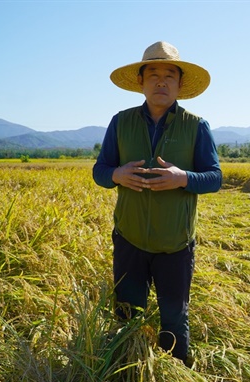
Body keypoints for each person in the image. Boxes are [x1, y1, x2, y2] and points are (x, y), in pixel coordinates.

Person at [93, 41, 222, 365]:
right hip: (130, 240)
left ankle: (177, 375)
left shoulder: (196, 126)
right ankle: (124, 369)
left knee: (174, 318)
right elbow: (100, 171)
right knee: (125, 314)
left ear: (179, 84)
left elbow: (215, 178)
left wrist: (183, 179)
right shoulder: (121, 122)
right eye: (153, 74)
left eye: (169, 75)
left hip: (175, 244)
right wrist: (117, 174)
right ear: (141, 81)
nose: (160, 82)